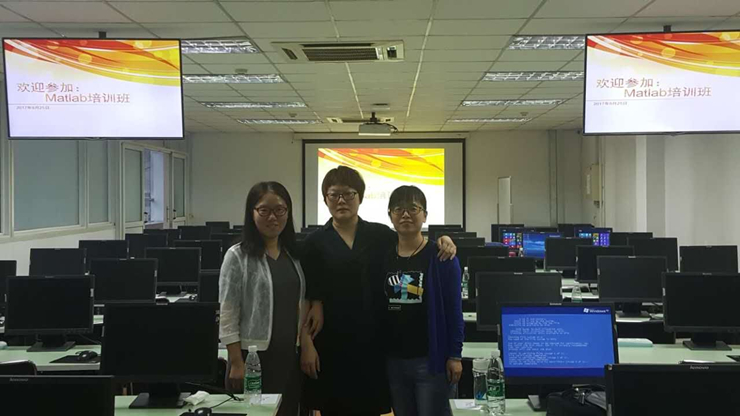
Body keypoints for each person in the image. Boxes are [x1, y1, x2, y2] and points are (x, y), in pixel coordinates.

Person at [300, 166, 457, 416]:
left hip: (374, 345)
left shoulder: (380, 235)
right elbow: (306, 298)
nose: (341, 200)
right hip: (331, 344)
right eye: (334, 194)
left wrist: (444, 239)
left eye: (349, 194)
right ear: (325, 199)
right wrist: (306, 343)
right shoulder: (313, 243)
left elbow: (411, 240)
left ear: (360, 197)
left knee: (371, 408)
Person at [219, 181, 307, 416]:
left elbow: (302, 304)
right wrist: (236, 362)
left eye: (279, 210)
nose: (273, 217)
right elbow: (228, 313)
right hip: (253, 359)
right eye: (264, 210)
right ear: (252, 213)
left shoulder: (294, 255)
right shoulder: (237, 256)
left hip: (289, 356)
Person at [382, 185, 464, 416]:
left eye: (413, 208)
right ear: (390, 216)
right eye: (398, 209)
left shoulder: (442, 257)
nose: (405, 214)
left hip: (430, 361)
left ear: (425, 215)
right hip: (393, 361)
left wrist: (455, 355)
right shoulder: (383, 256)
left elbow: (454, 310)